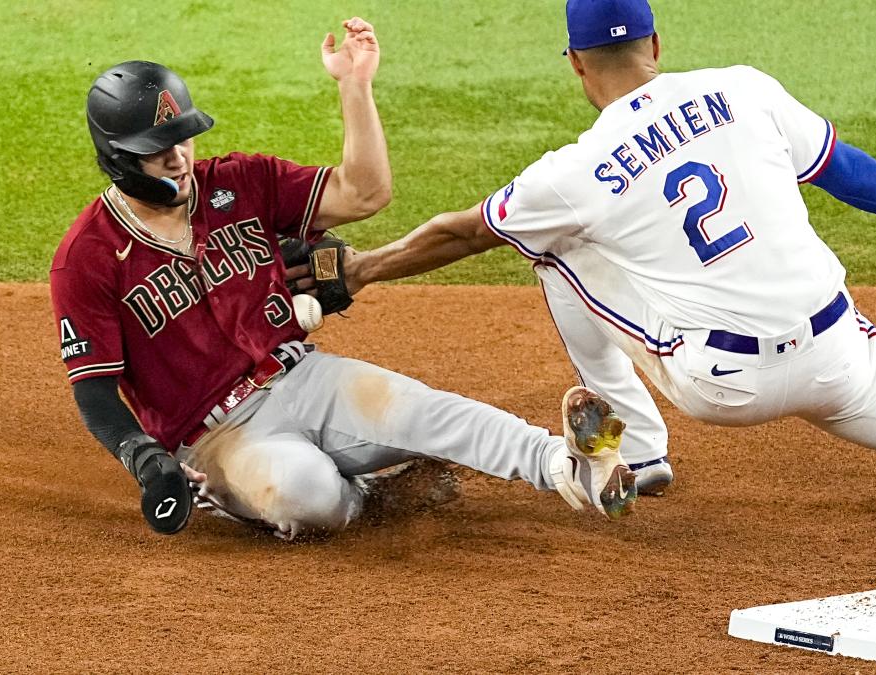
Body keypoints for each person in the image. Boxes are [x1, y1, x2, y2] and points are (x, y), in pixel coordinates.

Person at [341, 1, 876, 536]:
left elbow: (460, 232)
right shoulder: (743, 88)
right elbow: (842, 166)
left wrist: (363, 270)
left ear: (577, 66)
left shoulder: (573, 170)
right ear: (657, 46)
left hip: (723, 381)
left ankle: (640, 447)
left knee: (545, 243)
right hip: (840, 354)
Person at [50, 17, 638, 539]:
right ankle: (354, 498)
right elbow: (95, 390)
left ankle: (566, 464)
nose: (179, 158)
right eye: (159, 150)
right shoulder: (88, 257)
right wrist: (147, 459)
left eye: (183, 139)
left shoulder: (240, 181)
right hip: (216, 439)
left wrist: (354, 88)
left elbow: (364, 193)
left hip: (304, 378)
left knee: (424, 412)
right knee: (306, 491)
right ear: (119, 156)